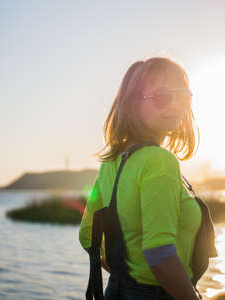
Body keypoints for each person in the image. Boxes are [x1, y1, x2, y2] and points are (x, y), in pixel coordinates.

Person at [79, 56, 202, 300]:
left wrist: (126, 276)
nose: (176, 106)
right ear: (133, 104)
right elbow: (160, 255)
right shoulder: (160, 161)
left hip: (116, 290)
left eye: (183, 96)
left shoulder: (110, 163)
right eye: (163, 97)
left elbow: (87, 235)